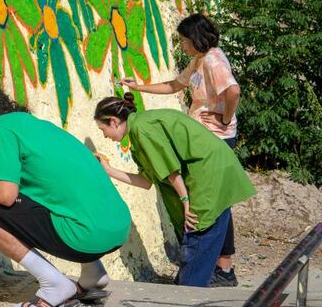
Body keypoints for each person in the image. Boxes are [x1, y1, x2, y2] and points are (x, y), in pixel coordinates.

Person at [0, 74, 132, 307]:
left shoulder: (2, 126)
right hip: (116, 227)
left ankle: (55, 285)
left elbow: (4, 196)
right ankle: (93, 275)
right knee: (51, 194)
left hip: (87, 238)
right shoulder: (35, 125)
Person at [122, 13, 242, 286]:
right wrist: (137, 87)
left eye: (185, 41)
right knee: (216, 201)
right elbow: (175, 85)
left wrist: (224, 118)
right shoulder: (199, 60)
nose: (183, 46)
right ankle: (220, 267)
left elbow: (233, 91)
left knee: (214, 202)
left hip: (216, 139)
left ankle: (222, 268)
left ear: (197, 39)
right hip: (205, 137)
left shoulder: (213, 60)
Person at [93, 93, 255, 287]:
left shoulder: (142, 129)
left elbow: (171, 171)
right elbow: (146, 182)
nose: (104, 136)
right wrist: (109, 171)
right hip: (214, 172)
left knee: (197, 230)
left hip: (208, 174)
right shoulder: (139, 128)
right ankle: (192, 284)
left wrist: (186, 203)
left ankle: (190, 291)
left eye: (103, 129)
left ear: (113, 121)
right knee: (196, 253)